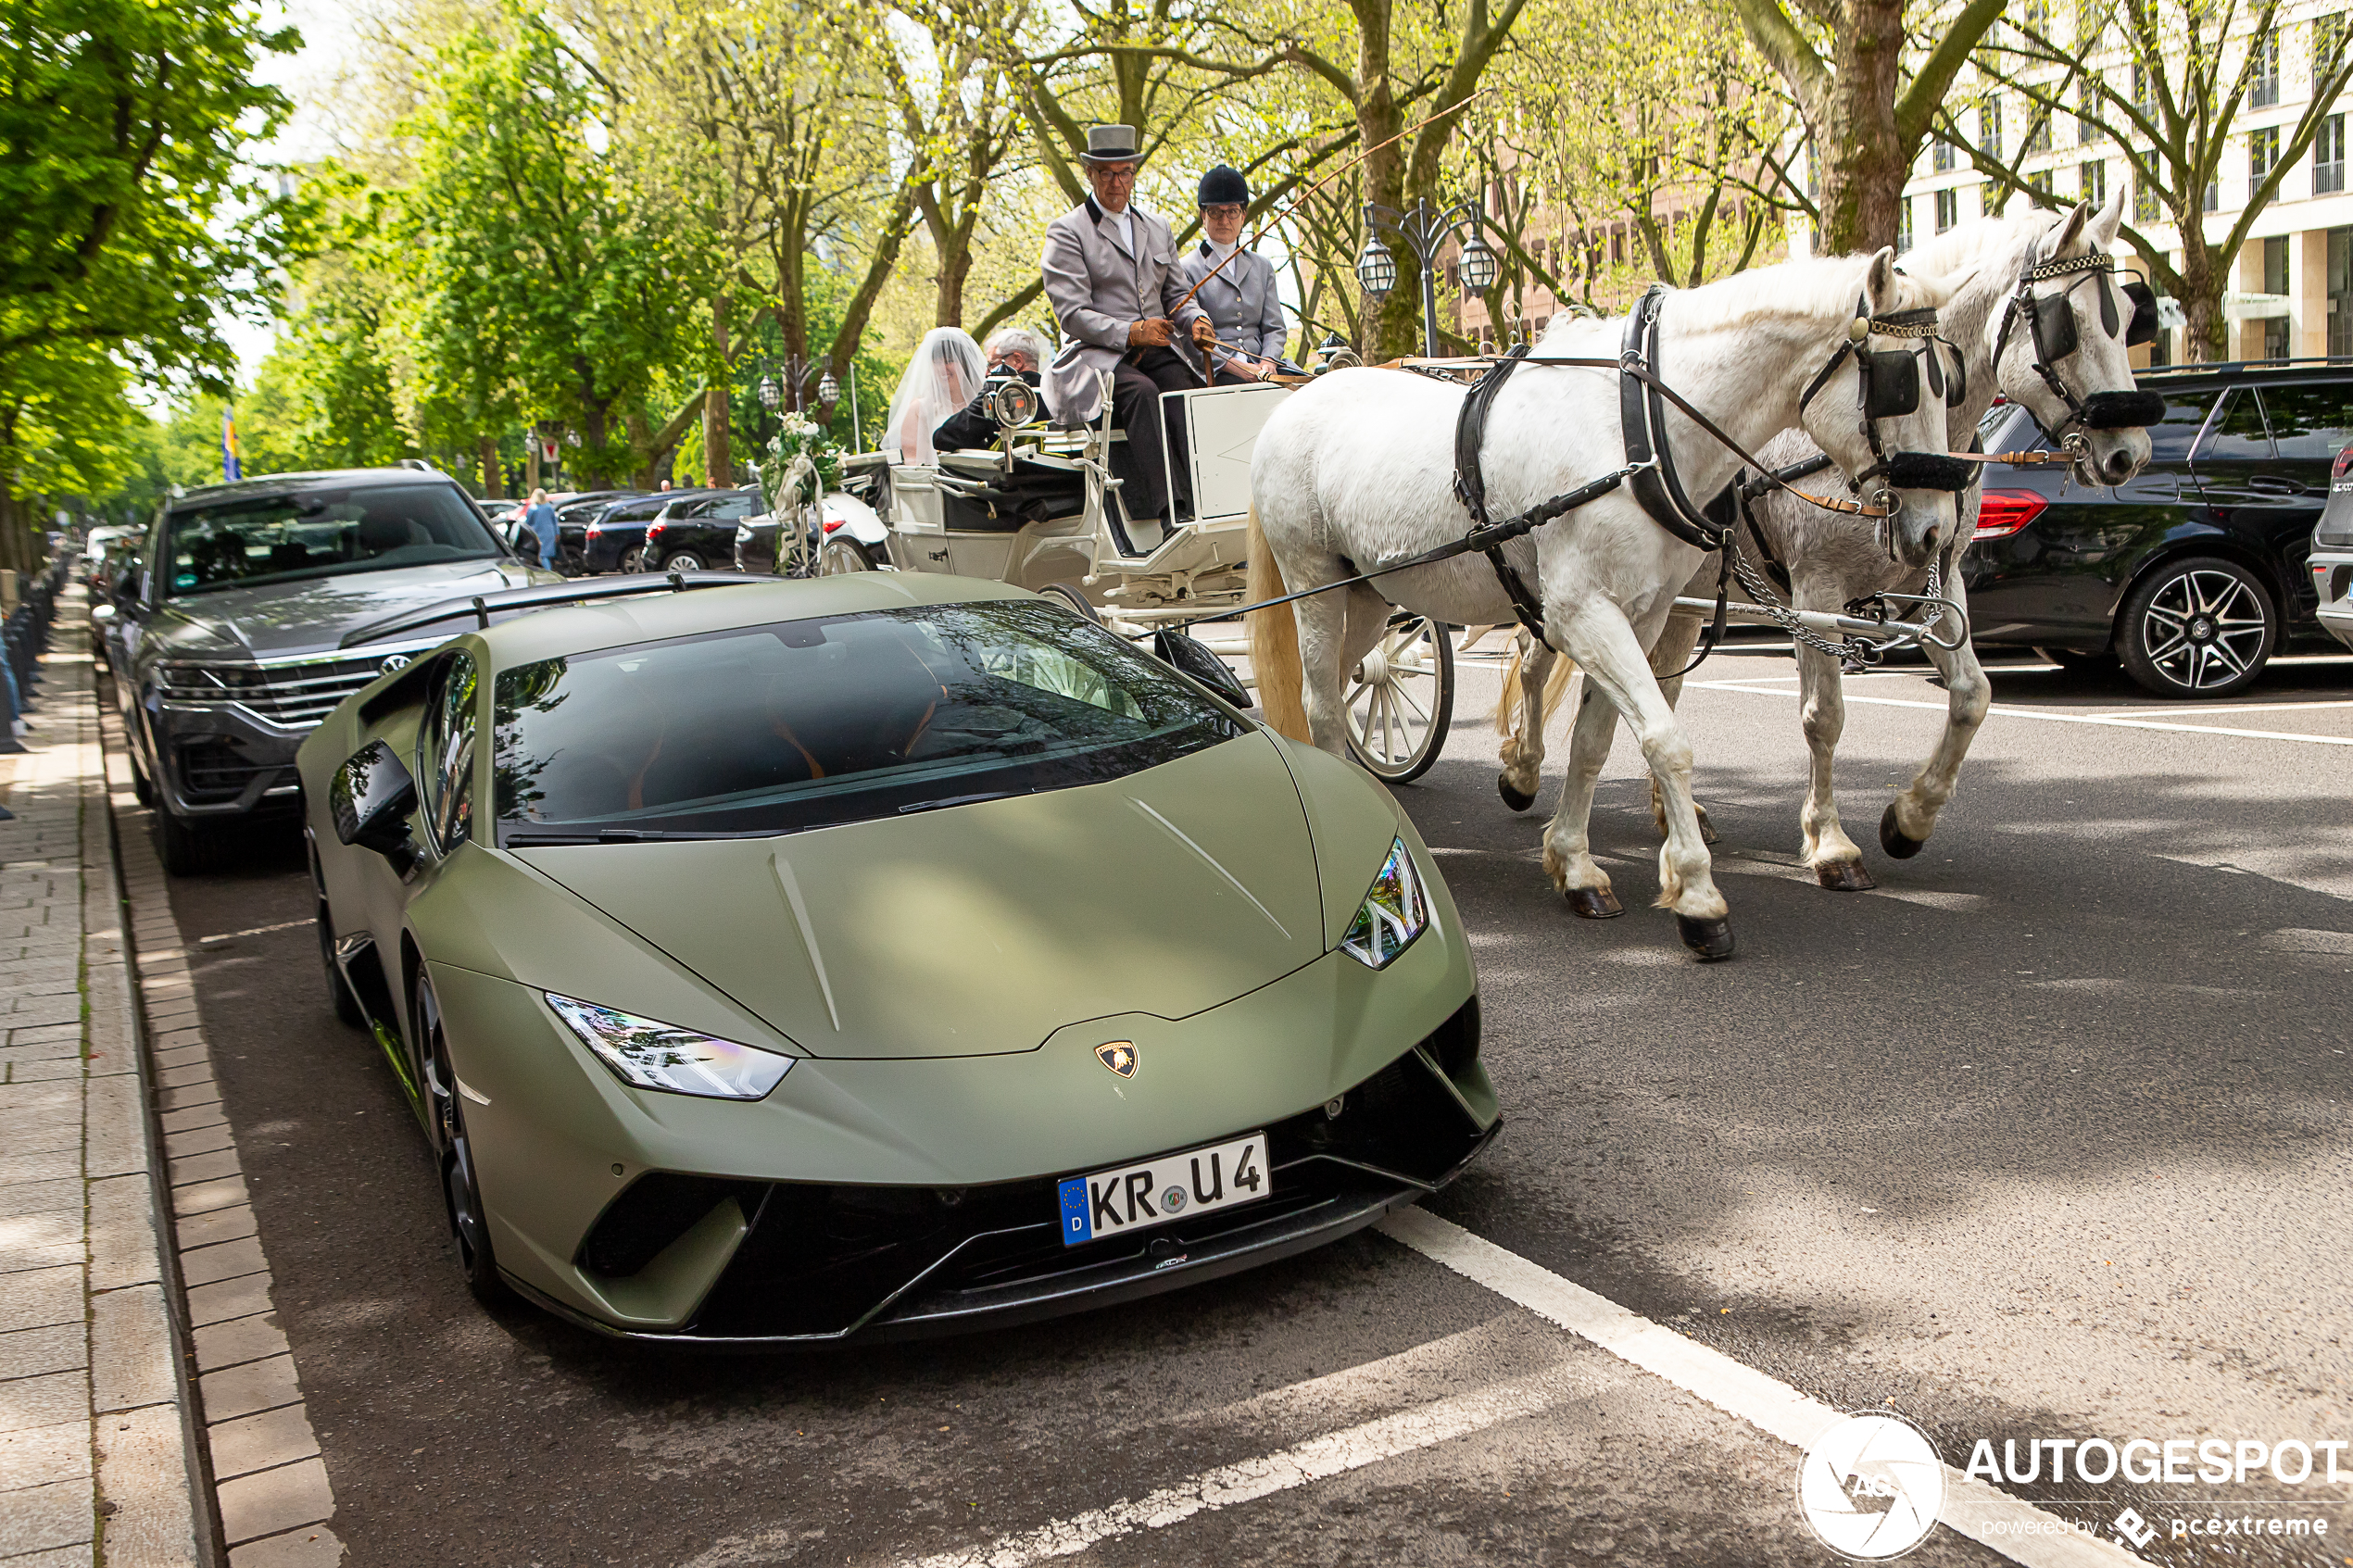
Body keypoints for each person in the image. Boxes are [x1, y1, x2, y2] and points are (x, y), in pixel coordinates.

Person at [1040, 123, 1217, 527]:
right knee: (1143, 393)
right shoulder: (1067, 232)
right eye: (1107, 173)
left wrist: (1196, 321)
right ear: (1090, 174)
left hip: (1155, 348)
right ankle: (1170, 512)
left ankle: (1209, 502)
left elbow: (1177, 297)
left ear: (1134, 173)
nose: (1116, 182)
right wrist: (1131, 332)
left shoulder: (1157, 227)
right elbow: (1072, 314)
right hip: (1094, 358)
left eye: (1124, 173)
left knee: (1185, 392)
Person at [1179, 166, 1287, 384]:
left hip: (1264, 368)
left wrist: (1268, 361)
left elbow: (1274, 328)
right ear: (1203, 215)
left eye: (1232, 211)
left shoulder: (1262, 266)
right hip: (1216, 370)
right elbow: (1190, 339)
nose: (1224, 220)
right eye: (1215, 212)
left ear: (1243, 215)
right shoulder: (1186, 268)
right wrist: (1237, 367)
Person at [933, 327, 1047, 453]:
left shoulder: (1000, 389)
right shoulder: (1053, 390)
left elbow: (947, 436)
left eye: (992, 364)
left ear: (1017, 361)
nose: (987, 373)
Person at [885, 327, 987, 466]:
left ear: (965, 364)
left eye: (949, 361)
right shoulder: (918, 409)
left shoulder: (984, 406)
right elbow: (912, 462)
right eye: (937, 362)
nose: (942, 368)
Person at [522, 488, 559, 570]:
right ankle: (548, 569)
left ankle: (547, 571)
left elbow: (528, 523)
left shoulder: (532, 508)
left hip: (538, 533)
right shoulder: (549, 507)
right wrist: (557, 533)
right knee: (546, 555)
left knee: (541, 555)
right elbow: (555, 521)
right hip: (549, 533)